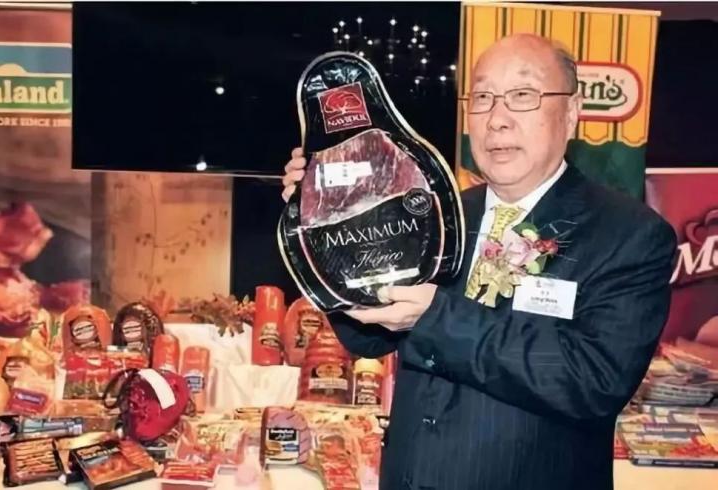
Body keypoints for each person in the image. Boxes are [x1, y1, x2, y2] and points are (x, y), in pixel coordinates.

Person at [282, 34, 677, 490]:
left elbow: (593, 380)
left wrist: (437, 316)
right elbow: (368, 338)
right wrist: (325, 229)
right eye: (483, 97)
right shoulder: (437, 212)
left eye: (523, 95)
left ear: (571, 113)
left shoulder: (628, 235)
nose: (497, 119)